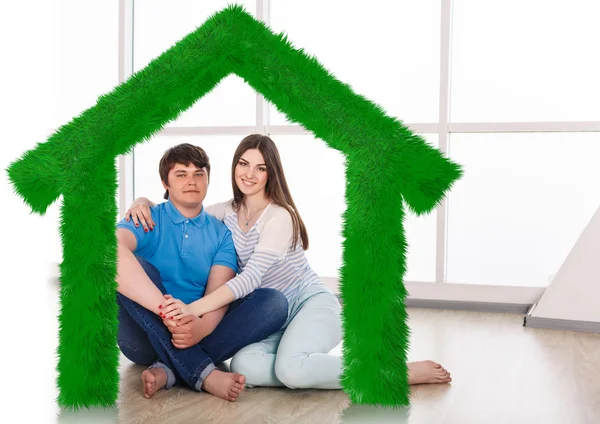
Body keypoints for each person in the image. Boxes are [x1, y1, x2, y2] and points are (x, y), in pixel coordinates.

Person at [126, 134, 452, 389]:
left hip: (306, 305)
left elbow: (250, 280)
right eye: (243, 164)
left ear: (271, 173)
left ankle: (389, 373)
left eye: (260, 167)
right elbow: (183, 209)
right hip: (269, 318)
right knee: (244, 367)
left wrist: (191, 310)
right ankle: (196, 369)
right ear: (234, 168)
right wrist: (143, 201)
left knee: (291, 370)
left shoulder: (279, 217)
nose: (249, 174)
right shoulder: (226, 212)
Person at [115, 143, 289, 401]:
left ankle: (169, 370)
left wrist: (201, 327)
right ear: (165, 182)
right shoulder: (147, 218)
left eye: (199, 174)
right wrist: (169, 314)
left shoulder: (220, 233)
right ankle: (203, 372)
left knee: (273, 302)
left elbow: (219, 292)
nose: (191, 181)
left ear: (208, 179)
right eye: (181, 174)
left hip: (194, 333)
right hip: (142, 340)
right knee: (130, 267)